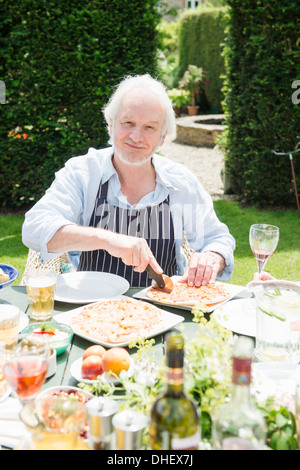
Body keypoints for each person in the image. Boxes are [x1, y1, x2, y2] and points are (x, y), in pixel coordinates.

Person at [22, 74, 235, 288]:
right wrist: (109, 240)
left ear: (162, 137)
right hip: (91, 307)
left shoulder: (180, 183)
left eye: (149, 127)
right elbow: (34, 228)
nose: (136, 136)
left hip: (164, 308)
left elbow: (217, 238)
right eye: (128, 123)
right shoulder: (83, 173)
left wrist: (212, 257)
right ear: (112, 124)